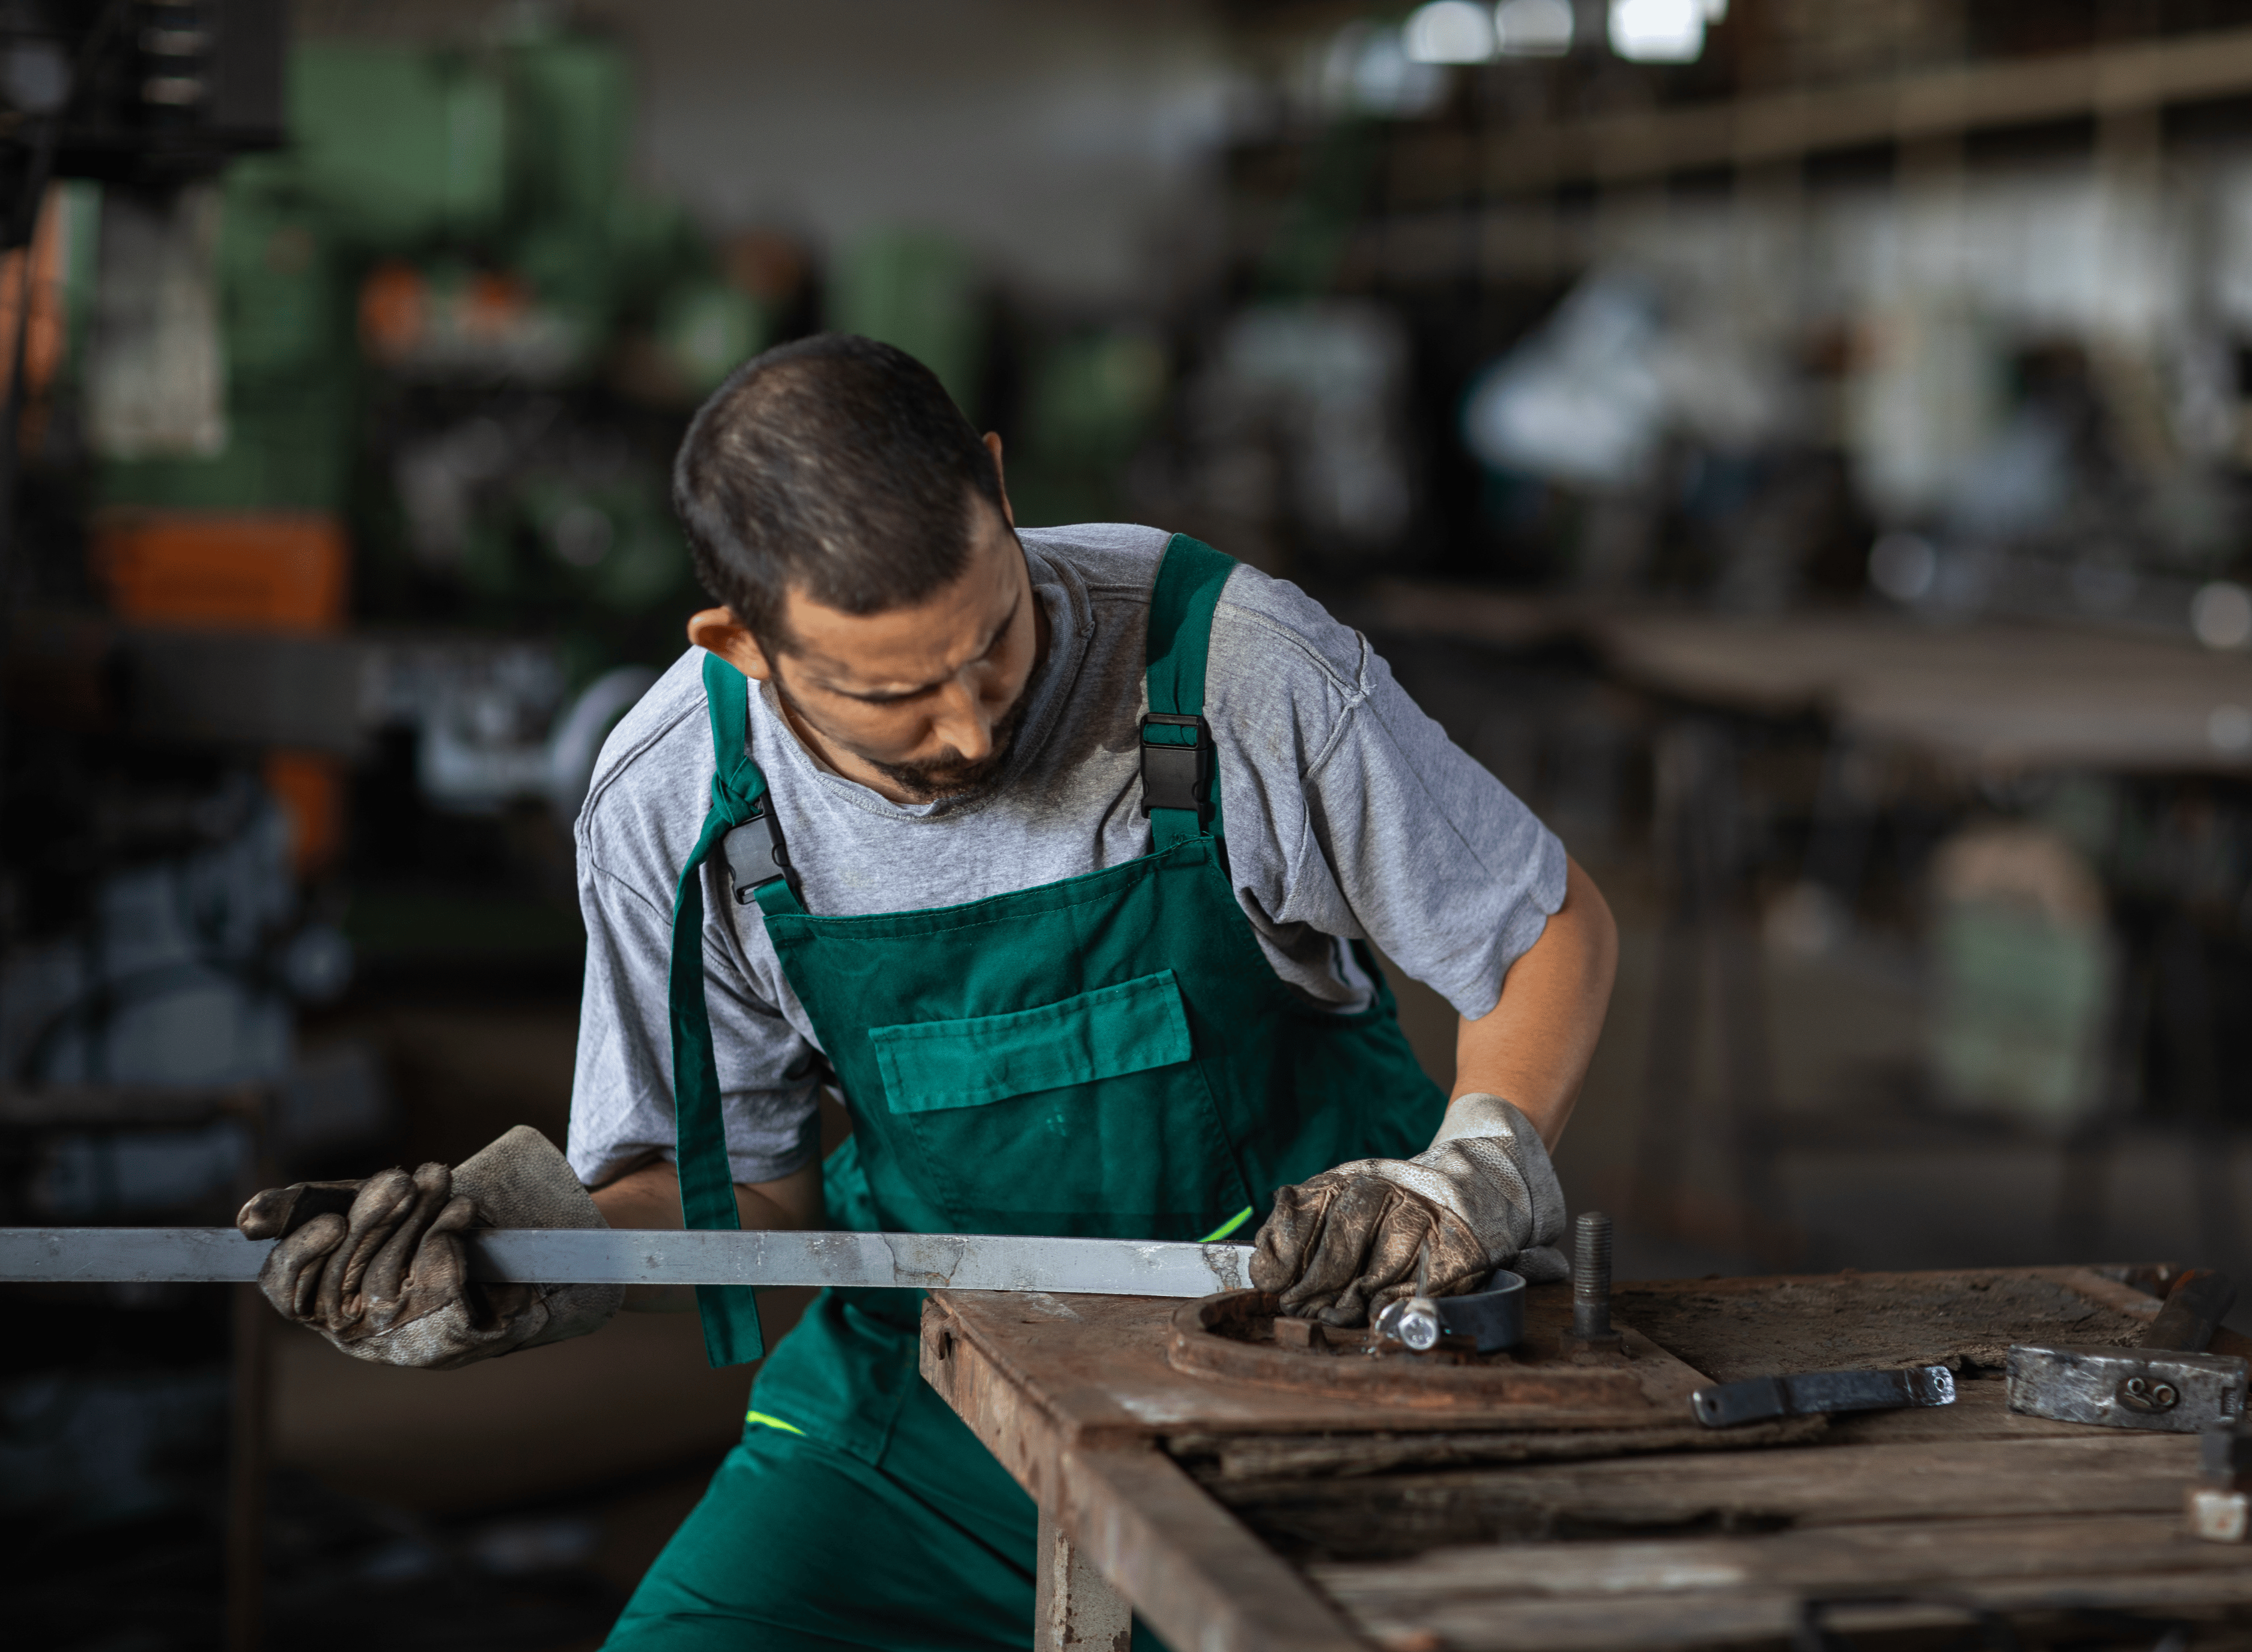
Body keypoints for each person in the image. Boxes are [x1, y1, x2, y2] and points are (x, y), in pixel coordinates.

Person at [234, 333, 1619, 1648]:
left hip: (1328, 1367)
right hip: (931, 1407)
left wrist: (1471, 1169)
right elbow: (750, 1200)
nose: (970, 728)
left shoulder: (1234, 664)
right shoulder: (678, 806)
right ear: (740, 644)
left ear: (1001, 492)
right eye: (894, 699)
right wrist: (529, 1263)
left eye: (993, 644)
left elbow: (1542, 929)